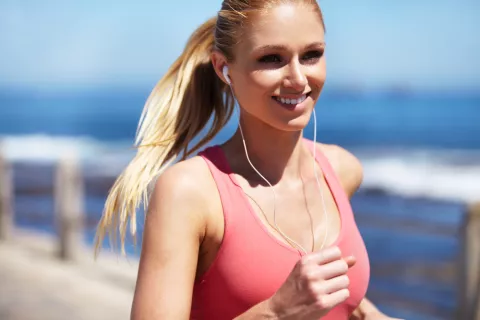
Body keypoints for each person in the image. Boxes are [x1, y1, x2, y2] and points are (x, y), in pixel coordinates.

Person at [94, 1, 402, 319]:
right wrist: (275, 312)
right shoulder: (190, 192)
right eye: (271, 58)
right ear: (223, 68)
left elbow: (342, 305)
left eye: (311, 54)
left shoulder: (341, 170)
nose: (298, 78)